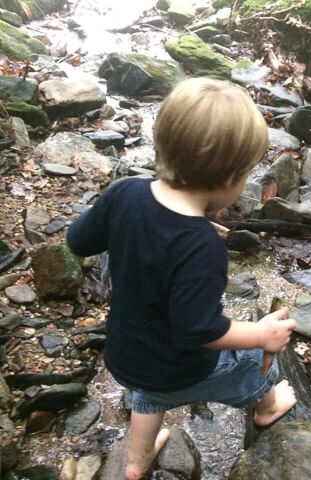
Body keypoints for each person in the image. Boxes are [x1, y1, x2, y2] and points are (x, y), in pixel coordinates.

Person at [66, 78, 297, 480]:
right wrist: (261, 336)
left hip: (126, 355)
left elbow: (78, 240)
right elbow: (200, 330)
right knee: (250, 361)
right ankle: (267, 407)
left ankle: (137, 462)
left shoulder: (125, 193)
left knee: (149, 395)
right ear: (229, 180)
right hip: (183, 368)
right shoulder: (202, 245)